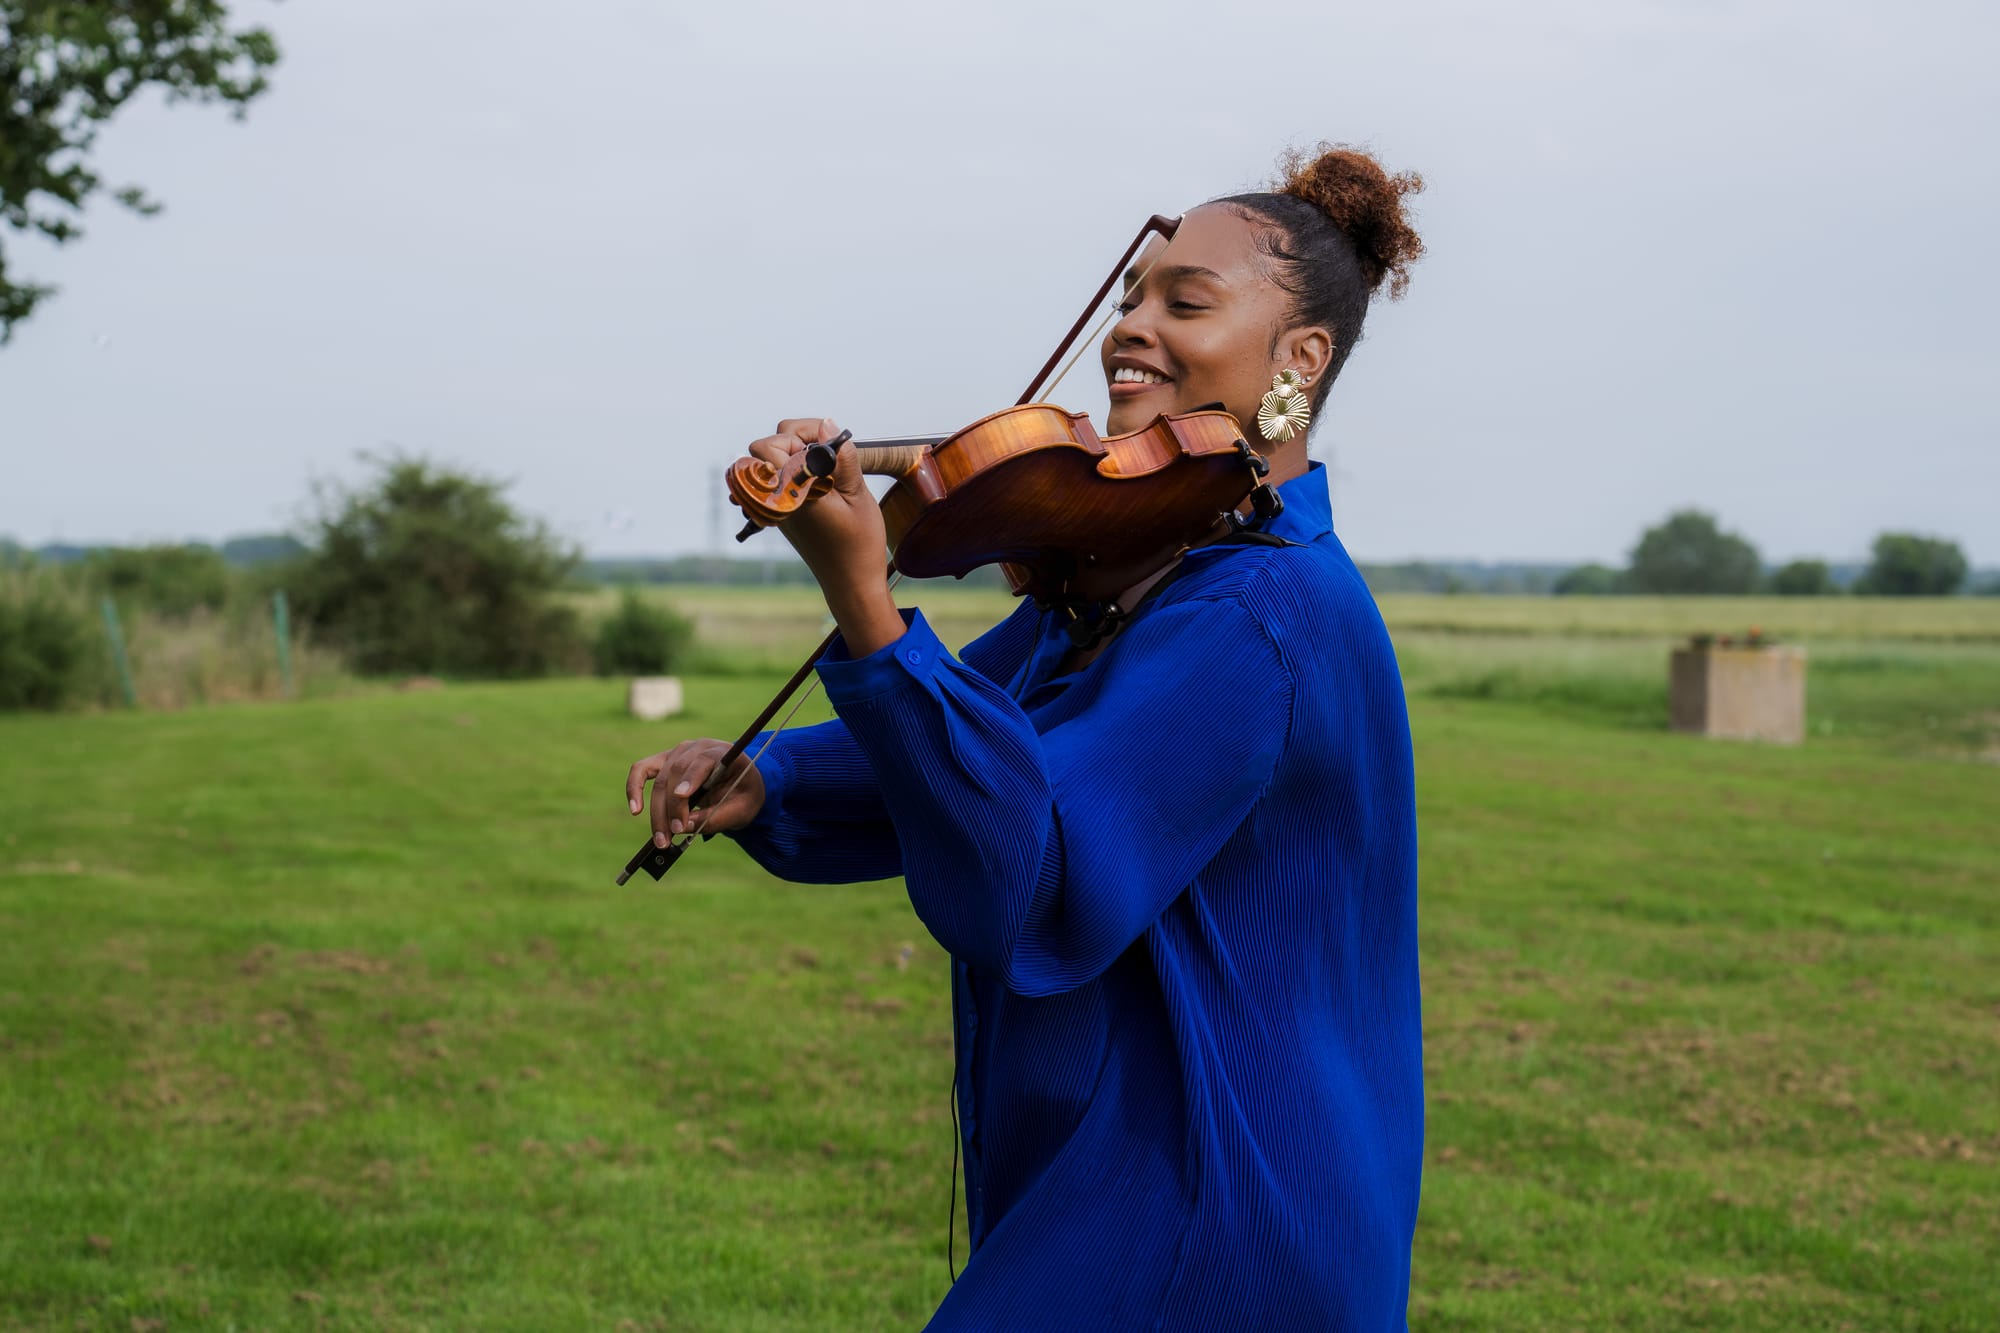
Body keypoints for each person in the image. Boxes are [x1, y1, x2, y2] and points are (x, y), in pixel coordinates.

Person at [624, 143, 1427, 1330]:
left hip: (1214, 1191)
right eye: (1130, 297)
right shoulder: (1135, 577)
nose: (1129, 329)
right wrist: (772, 781)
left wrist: (865, 602)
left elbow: (1033, 873)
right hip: (1129, 1166)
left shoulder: (1254, 613)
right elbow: (987, 743)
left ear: (1297, 360)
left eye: (1184, 303)